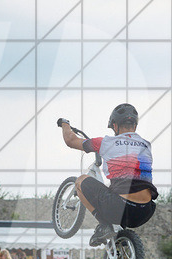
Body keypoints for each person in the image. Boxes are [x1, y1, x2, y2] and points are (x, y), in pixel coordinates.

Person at [59, 104, 158, 247]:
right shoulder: (146, 145)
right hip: (145, 212)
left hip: (118, 206)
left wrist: (64, 123)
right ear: (135, 126)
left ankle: (104, 225)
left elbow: (71, 141)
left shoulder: (105, 142)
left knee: (80, 181)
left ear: (114, 125)